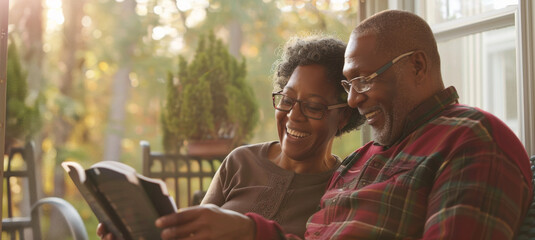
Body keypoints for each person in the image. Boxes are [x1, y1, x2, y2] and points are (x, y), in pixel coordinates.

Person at [154, 10, 533, 240]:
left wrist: (251, 233)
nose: (353, 100)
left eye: (364, 81)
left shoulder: (469, 139)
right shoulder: (362, 160)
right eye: (350, 85)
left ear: (417, 66)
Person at [97, 35, 364, 239]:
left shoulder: (341, 190)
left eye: (314, 106)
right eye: (288, 100)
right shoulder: (241, 161)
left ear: (343, 116)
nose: (294, 115)